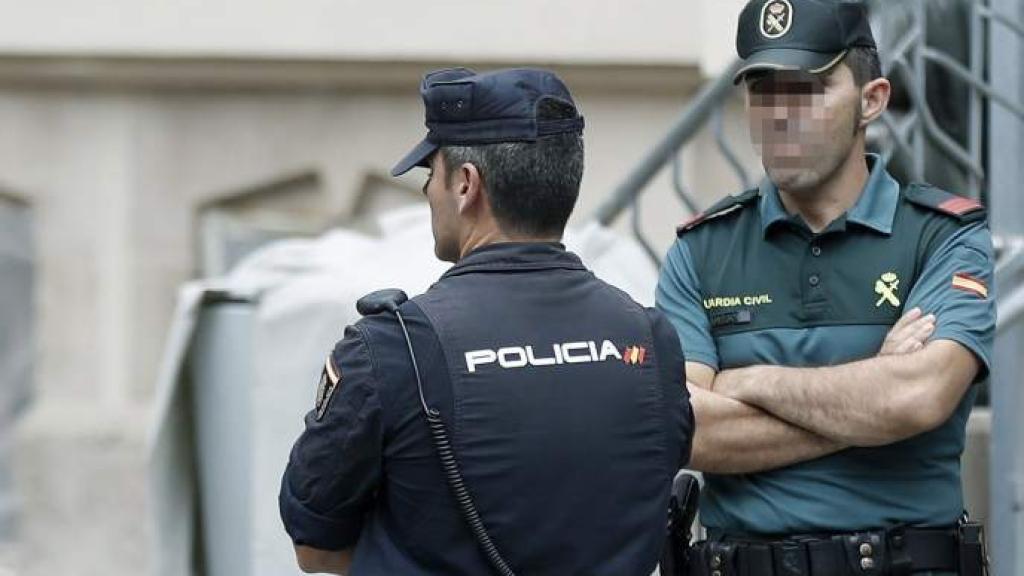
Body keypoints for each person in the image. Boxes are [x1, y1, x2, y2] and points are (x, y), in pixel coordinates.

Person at [280, 67, 694, 575]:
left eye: (430, 173)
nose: (428, 191)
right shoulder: (651, 342)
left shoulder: (389, 350)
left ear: (466, 185)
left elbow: (315, 546)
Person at [656, 1, 995, 574]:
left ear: (873, 100)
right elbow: (687, 430)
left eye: (806, 89)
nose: (779, 113)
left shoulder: (941, 237)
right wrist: (869, 400)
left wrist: (749, 381)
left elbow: (918, 397)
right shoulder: (702, 250)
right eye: (763, 90)